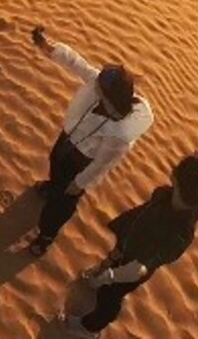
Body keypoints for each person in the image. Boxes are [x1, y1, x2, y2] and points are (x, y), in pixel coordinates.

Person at [60, 121, 198, 337]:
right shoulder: (195, 193)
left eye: (177, 172)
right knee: (115, 253)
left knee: (109, 298)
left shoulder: (178, 234)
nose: (173, 170)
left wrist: (108, 276)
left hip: (134, 263)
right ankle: (103, 270)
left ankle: (89, 328)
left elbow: (139, 268)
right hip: (134, 230)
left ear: (183, 188)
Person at [28, 25, 154, 255]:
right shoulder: (99, 83)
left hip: (82, 161)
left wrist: (78, 184)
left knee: (61, 203)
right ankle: (52, 186)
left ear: (109, 96)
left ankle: (46, 235)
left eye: (100, 87)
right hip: (67, 140)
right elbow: (77, 63)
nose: (94, 82)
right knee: (55, 168)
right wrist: (48, 47)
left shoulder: (120, 134)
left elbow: (102, 164)